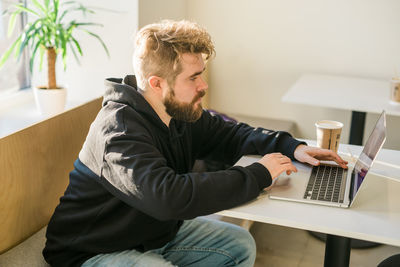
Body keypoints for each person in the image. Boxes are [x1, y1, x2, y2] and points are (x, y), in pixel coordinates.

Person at [43, 20, 348, 267]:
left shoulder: (179, 112)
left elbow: (231, 134)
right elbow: (169, 197)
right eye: (194, 78)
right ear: (157, 83)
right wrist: (257, 174)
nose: (204, 86)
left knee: (238, 244)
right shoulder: (118, 132)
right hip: (92, 251)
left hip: (152, 234)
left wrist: (291, 146)